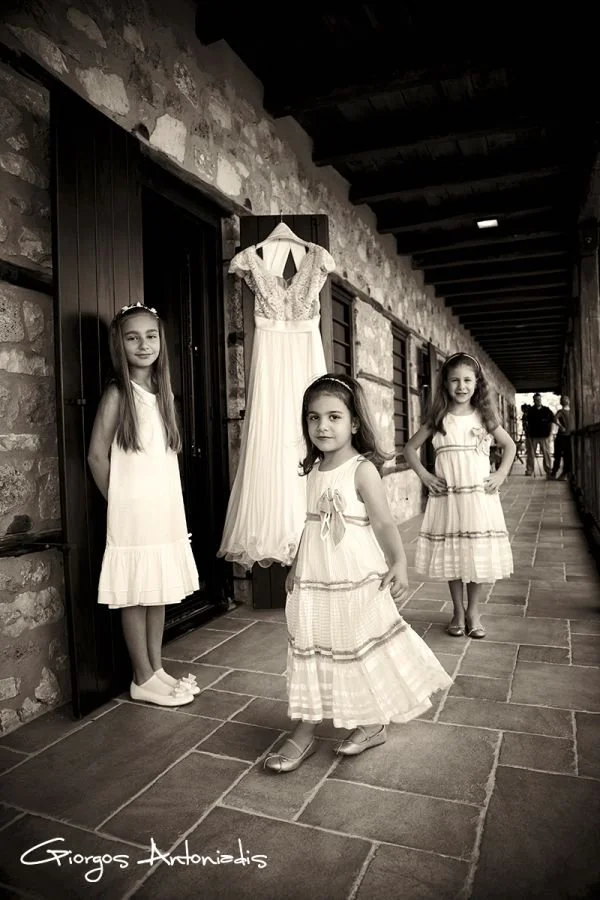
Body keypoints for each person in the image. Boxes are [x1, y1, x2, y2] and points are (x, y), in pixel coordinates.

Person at [263, 374, 452, 774]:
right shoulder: (312, 470)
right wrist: (297, 566)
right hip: (317, 574)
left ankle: (371, 721)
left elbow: (384, 524)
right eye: (313, 418)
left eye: (334, 417)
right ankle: (305, 727)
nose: (323, 427)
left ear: (353, 423)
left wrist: (398, 563)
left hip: (354, 572)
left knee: (356, 641)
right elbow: (310, 525)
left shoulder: (362, 470)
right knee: (314, 641)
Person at [87, 302, 200, 707]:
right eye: (133, 337)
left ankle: (156, 667)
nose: (143, 344)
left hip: (163, 506)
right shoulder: (119, 392)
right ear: (120, 344)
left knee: (156, 589)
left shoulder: (161, 391)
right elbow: (97, 456)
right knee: (135, 592)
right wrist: (117, 502)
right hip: (133, 509)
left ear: (160, 341)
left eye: (150, 336)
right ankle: (140, 675)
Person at [404, 353, 515, 640]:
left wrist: (501, 474)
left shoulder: (485, 417)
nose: (461, 386)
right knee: (454, 554)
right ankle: (456, 610)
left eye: (467, 380)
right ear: (445, 384)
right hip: (449, 498)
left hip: (478, 497)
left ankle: (473, 612)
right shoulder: (439, 418)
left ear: (477, 384)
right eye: (455, 380)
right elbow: (409, 449)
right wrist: (426, 477)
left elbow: (509, 446)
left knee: (475, 554)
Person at [524, 393, 554, 476]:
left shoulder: (547, 410)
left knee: (546, 453)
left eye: (539, 399)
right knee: (531, 453)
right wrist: (527, 433)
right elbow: (526, 423)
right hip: (532, 436)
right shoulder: (530, 411)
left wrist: (550, 433)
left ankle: (548, 469)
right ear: (534, 400)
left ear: (541, 400)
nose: (538, 401)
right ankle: (529, 470)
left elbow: (552, 421)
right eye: (536, 400)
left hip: (544, 435)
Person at [551, 395, 573, 479]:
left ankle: (564, 474)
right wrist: (561, 427)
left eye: (567, 399)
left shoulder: (571, 411)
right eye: (563, 399)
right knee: (558, 455)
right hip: (561, 436)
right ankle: (553, 473)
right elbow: (555, 419)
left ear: (569, 401)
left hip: (569, 436)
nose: (565, 401)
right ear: (561, 402)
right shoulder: (561, 411)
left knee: (567, 456)